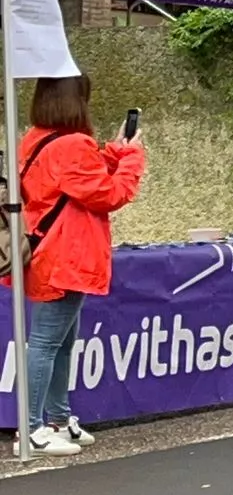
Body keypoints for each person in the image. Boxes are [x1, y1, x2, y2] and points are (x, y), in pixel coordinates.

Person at [8, 75, 146, 457]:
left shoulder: (36, 137)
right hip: (68, 255)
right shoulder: (73, 144)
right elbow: (109, 193)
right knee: (48, 343)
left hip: (48, 251)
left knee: (59, 342)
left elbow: (79, 178)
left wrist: (114, 152)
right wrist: (132, 157)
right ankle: (34, 427)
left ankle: (57, 417)